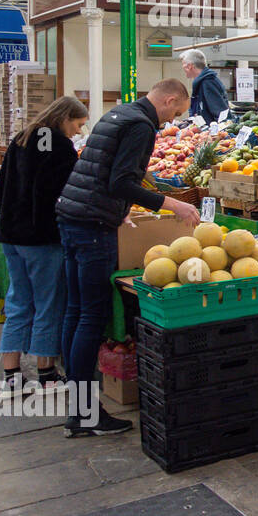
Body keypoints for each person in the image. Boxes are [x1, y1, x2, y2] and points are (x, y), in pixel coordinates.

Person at [56, 78, 201, 437]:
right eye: (175, 113)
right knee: (92, 316)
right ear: (168, 100)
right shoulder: (141, 125)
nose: (170, 123)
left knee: (75, 312)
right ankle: (85, 415)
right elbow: (120, 181)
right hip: (91, 227)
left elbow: (99, 171)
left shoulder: (118, 113)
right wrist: (174, 204)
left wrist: (117, 208)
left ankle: (77, 407)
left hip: (72, 217)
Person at [0, 96, 89, 398]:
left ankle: (11, 377)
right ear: (64, 118)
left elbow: (2, 188)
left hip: (11, 236)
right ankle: (47, 373)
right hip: (41, 239)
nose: (76, 132)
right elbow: (58, 192)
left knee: (19, 302)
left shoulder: (21, 139)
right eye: (77, 125)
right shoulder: (57, 145)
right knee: (49, 303)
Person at [181, 49, 228, 124]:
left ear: (190, 66)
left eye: (183, 64)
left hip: (212, 133)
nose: (182, 68)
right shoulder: (202, 82)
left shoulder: (208, 82)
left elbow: (219, 113)